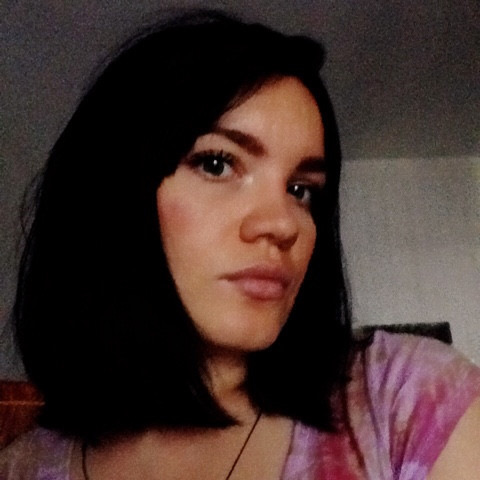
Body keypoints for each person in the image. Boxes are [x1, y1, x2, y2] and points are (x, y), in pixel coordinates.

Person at [1, 10, 480, 480]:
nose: (283, 224)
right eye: (217, 164)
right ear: (111, 190)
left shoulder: (409, 399)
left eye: (301, 190)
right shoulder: (21, 468)